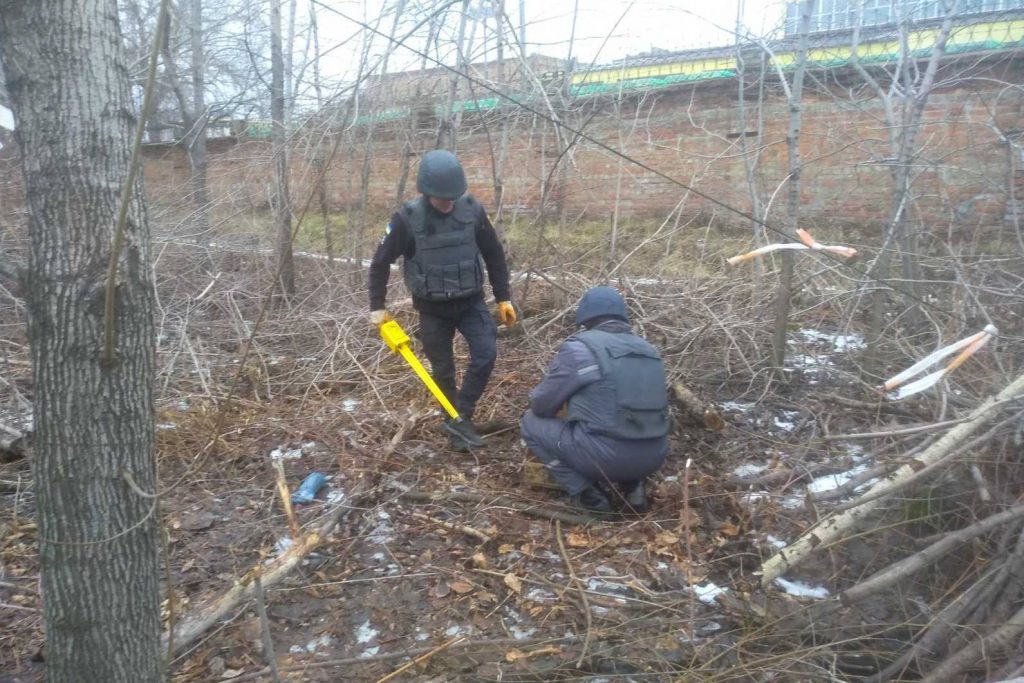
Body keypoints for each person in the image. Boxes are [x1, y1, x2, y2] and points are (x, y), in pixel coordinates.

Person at [368, 149, 516, 451]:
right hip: (432, 309)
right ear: (426, 192)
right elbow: (380, 262)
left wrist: (504, 297)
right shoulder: (406, 220)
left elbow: (493, 253)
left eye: (452, 197)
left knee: (486, 355)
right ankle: (456, 426)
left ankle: (460, 416)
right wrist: (377, 307)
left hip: (471, 301)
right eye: (441, 198)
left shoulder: (473, 211)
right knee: (443, 370)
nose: (447, 203)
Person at [520, 286, 669, 513]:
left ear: (585, 316)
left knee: (530, 422)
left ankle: (588, 495)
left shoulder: (581, 348)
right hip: (654, 457)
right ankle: (634, 487)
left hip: (603, 458)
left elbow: (542, 405)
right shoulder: (650, 350)